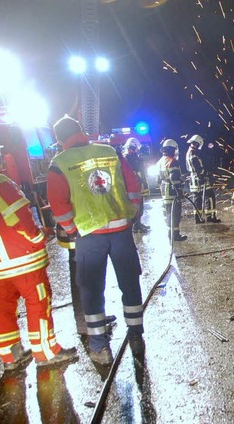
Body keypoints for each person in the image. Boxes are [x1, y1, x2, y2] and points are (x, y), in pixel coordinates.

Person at [47, 115, 145, 365]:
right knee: (130, 284)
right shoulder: (110, 151)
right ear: (80, 130)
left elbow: (58, 205)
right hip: (121, 230)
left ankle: (100, 348)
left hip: (89, 236)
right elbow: (132, 185)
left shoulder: (59, 163)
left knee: (91, 290)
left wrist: (72, 230)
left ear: (59, 139)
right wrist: (133, 213)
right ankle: (136, 338)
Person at [0, 133, 77, 372]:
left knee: (2, 303)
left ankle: (10, 355)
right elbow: (21, 219)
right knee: (37, 301)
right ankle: (45, 351)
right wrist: (37, 237)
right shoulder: (0, 183)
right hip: (22, 258)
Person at [156, 138, 188, 241]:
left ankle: (171, 233)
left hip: (164, 189)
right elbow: (174, 178)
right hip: (172, 191)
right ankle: (175, 234)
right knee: (175, 213)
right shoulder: (172, 161)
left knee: (169, 212)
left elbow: (157, 179)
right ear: (173, 149)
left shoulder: (160, 161)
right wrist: (179, 192)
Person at [186, 135, 221, 223]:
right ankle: (211, 217)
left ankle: (197, 218)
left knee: (197, 199)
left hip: (194, 180)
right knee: (210, 196)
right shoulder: (193, 153)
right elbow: (198, 168)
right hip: (199, 180)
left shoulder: (189, 151)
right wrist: (207, 175)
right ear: (198, 144)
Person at [122, 137, 151, 233]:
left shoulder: (134, 156)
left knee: (140, 205)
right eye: (136, 148)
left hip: (138, 184)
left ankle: (138, 224)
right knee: (135, 205)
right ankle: (134, 225)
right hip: (133, 186)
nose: (137, 150)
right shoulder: (127, 157)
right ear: (131, 147)